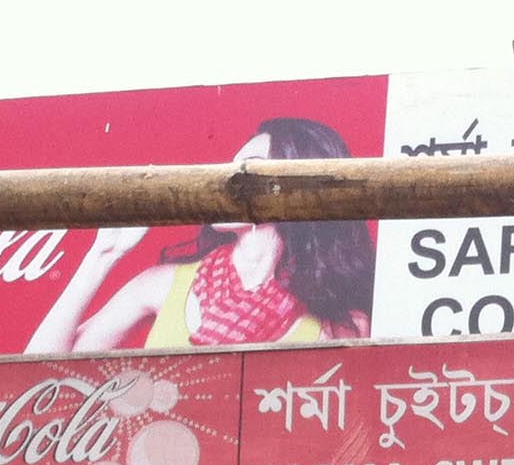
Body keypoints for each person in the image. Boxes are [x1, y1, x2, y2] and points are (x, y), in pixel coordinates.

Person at [24, 117, 375, 352]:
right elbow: (39, 378)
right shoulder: (165, 284)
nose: (224, 180)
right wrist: (101, 256)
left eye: (247, 168)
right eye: (228, 167)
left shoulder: (341, 322)